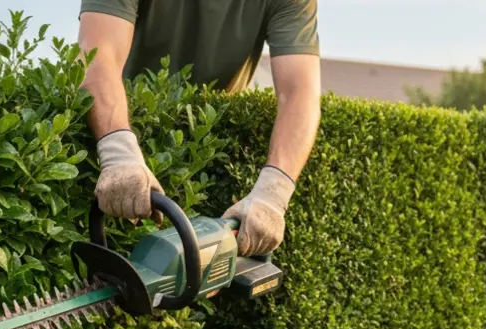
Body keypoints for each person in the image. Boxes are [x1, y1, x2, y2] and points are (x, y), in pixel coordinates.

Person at [78, 1, 321, 257]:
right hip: (118, 133)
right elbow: (97, 55)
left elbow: (299, 93)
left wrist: (274, 192)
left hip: (210, 154)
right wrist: (118, 153)